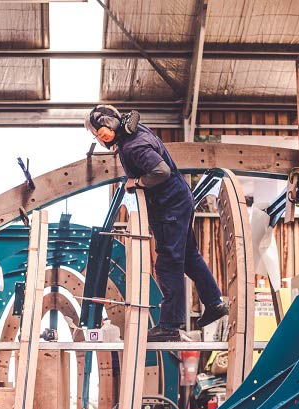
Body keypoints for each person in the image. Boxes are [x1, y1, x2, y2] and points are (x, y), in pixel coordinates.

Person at [85, 105, 227, 342]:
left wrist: (137, 182)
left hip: (169, 206)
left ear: (110, 124)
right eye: (98, 136)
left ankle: (170, 325)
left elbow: (160, 171)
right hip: (178, 200)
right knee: (189, 256)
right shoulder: (132, 132)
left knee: (168, 263)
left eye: (101, 133)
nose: (101, 139)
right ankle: (214, 303)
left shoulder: (133, 146)